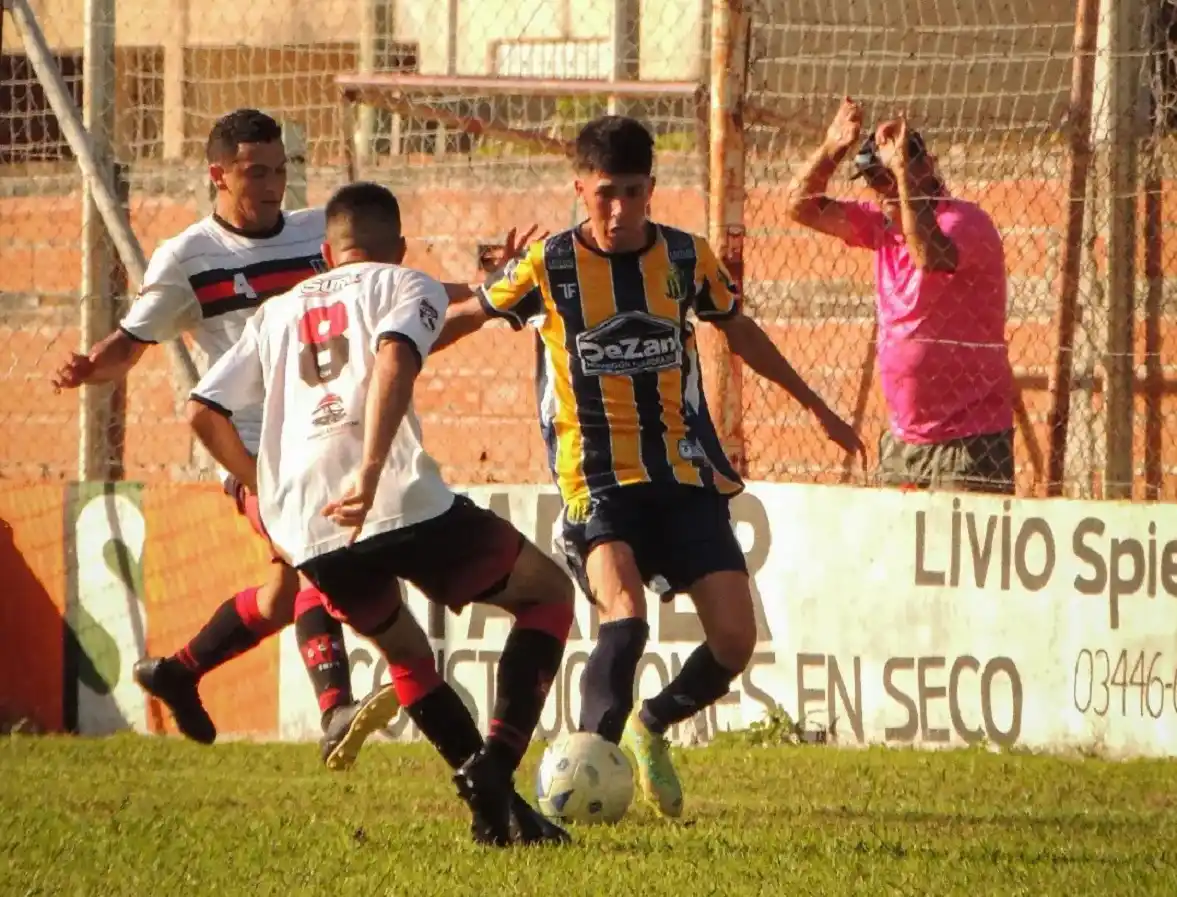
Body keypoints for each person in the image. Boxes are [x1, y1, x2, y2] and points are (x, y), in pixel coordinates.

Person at [436, 115, 863, 819]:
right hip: (595, 479)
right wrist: (399, 348)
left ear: (651, 190)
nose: (617, 210)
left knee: (734, 637)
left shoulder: (687, 259)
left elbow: (736, 326)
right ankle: (585, 770)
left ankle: (651, 723)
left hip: (682, 476)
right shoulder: (548, 265)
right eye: (603, 193)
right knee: (624, 614)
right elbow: (473, 312)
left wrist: (815, 405)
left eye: (632, 193)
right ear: (580, 187)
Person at [186, 181, 576, 847]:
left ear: (325, 253)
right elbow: (397, 352)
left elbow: (200, 410)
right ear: (398, 246)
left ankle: (494, 811)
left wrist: (268, 490)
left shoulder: (277, 314)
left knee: (405, 653)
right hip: (392, 497)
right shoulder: (405, 282)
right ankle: (495, 771)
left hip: (307, 525)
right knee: (547, 593)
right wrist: (368, 469)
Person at [51, 108, 401, 767]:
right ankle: (335, 711)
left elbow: (377, 283)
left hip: (323, 437)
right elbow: (130, 344)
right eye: (255, 172)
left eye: (280, 170)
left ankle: (180, 670)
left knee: (281, 591)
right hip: (247, 447)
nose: (272, 185)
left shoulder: (315, 233)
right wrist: (89, 366)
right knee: (312, 558)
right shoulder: (188, 257)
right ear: (218, 174)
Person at [785, 98, 1016, 494]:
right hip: (904, 441)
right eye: (876, 180)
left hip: (969, 439)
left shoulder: (965, 221)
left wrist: (903, 176)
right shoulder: (882, 226)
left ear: (926, 166)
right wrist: (831, 148)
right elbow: (799, 208)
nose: (883, 189)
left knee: (956, 554)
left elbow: (927, 254)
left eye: (888, 177)